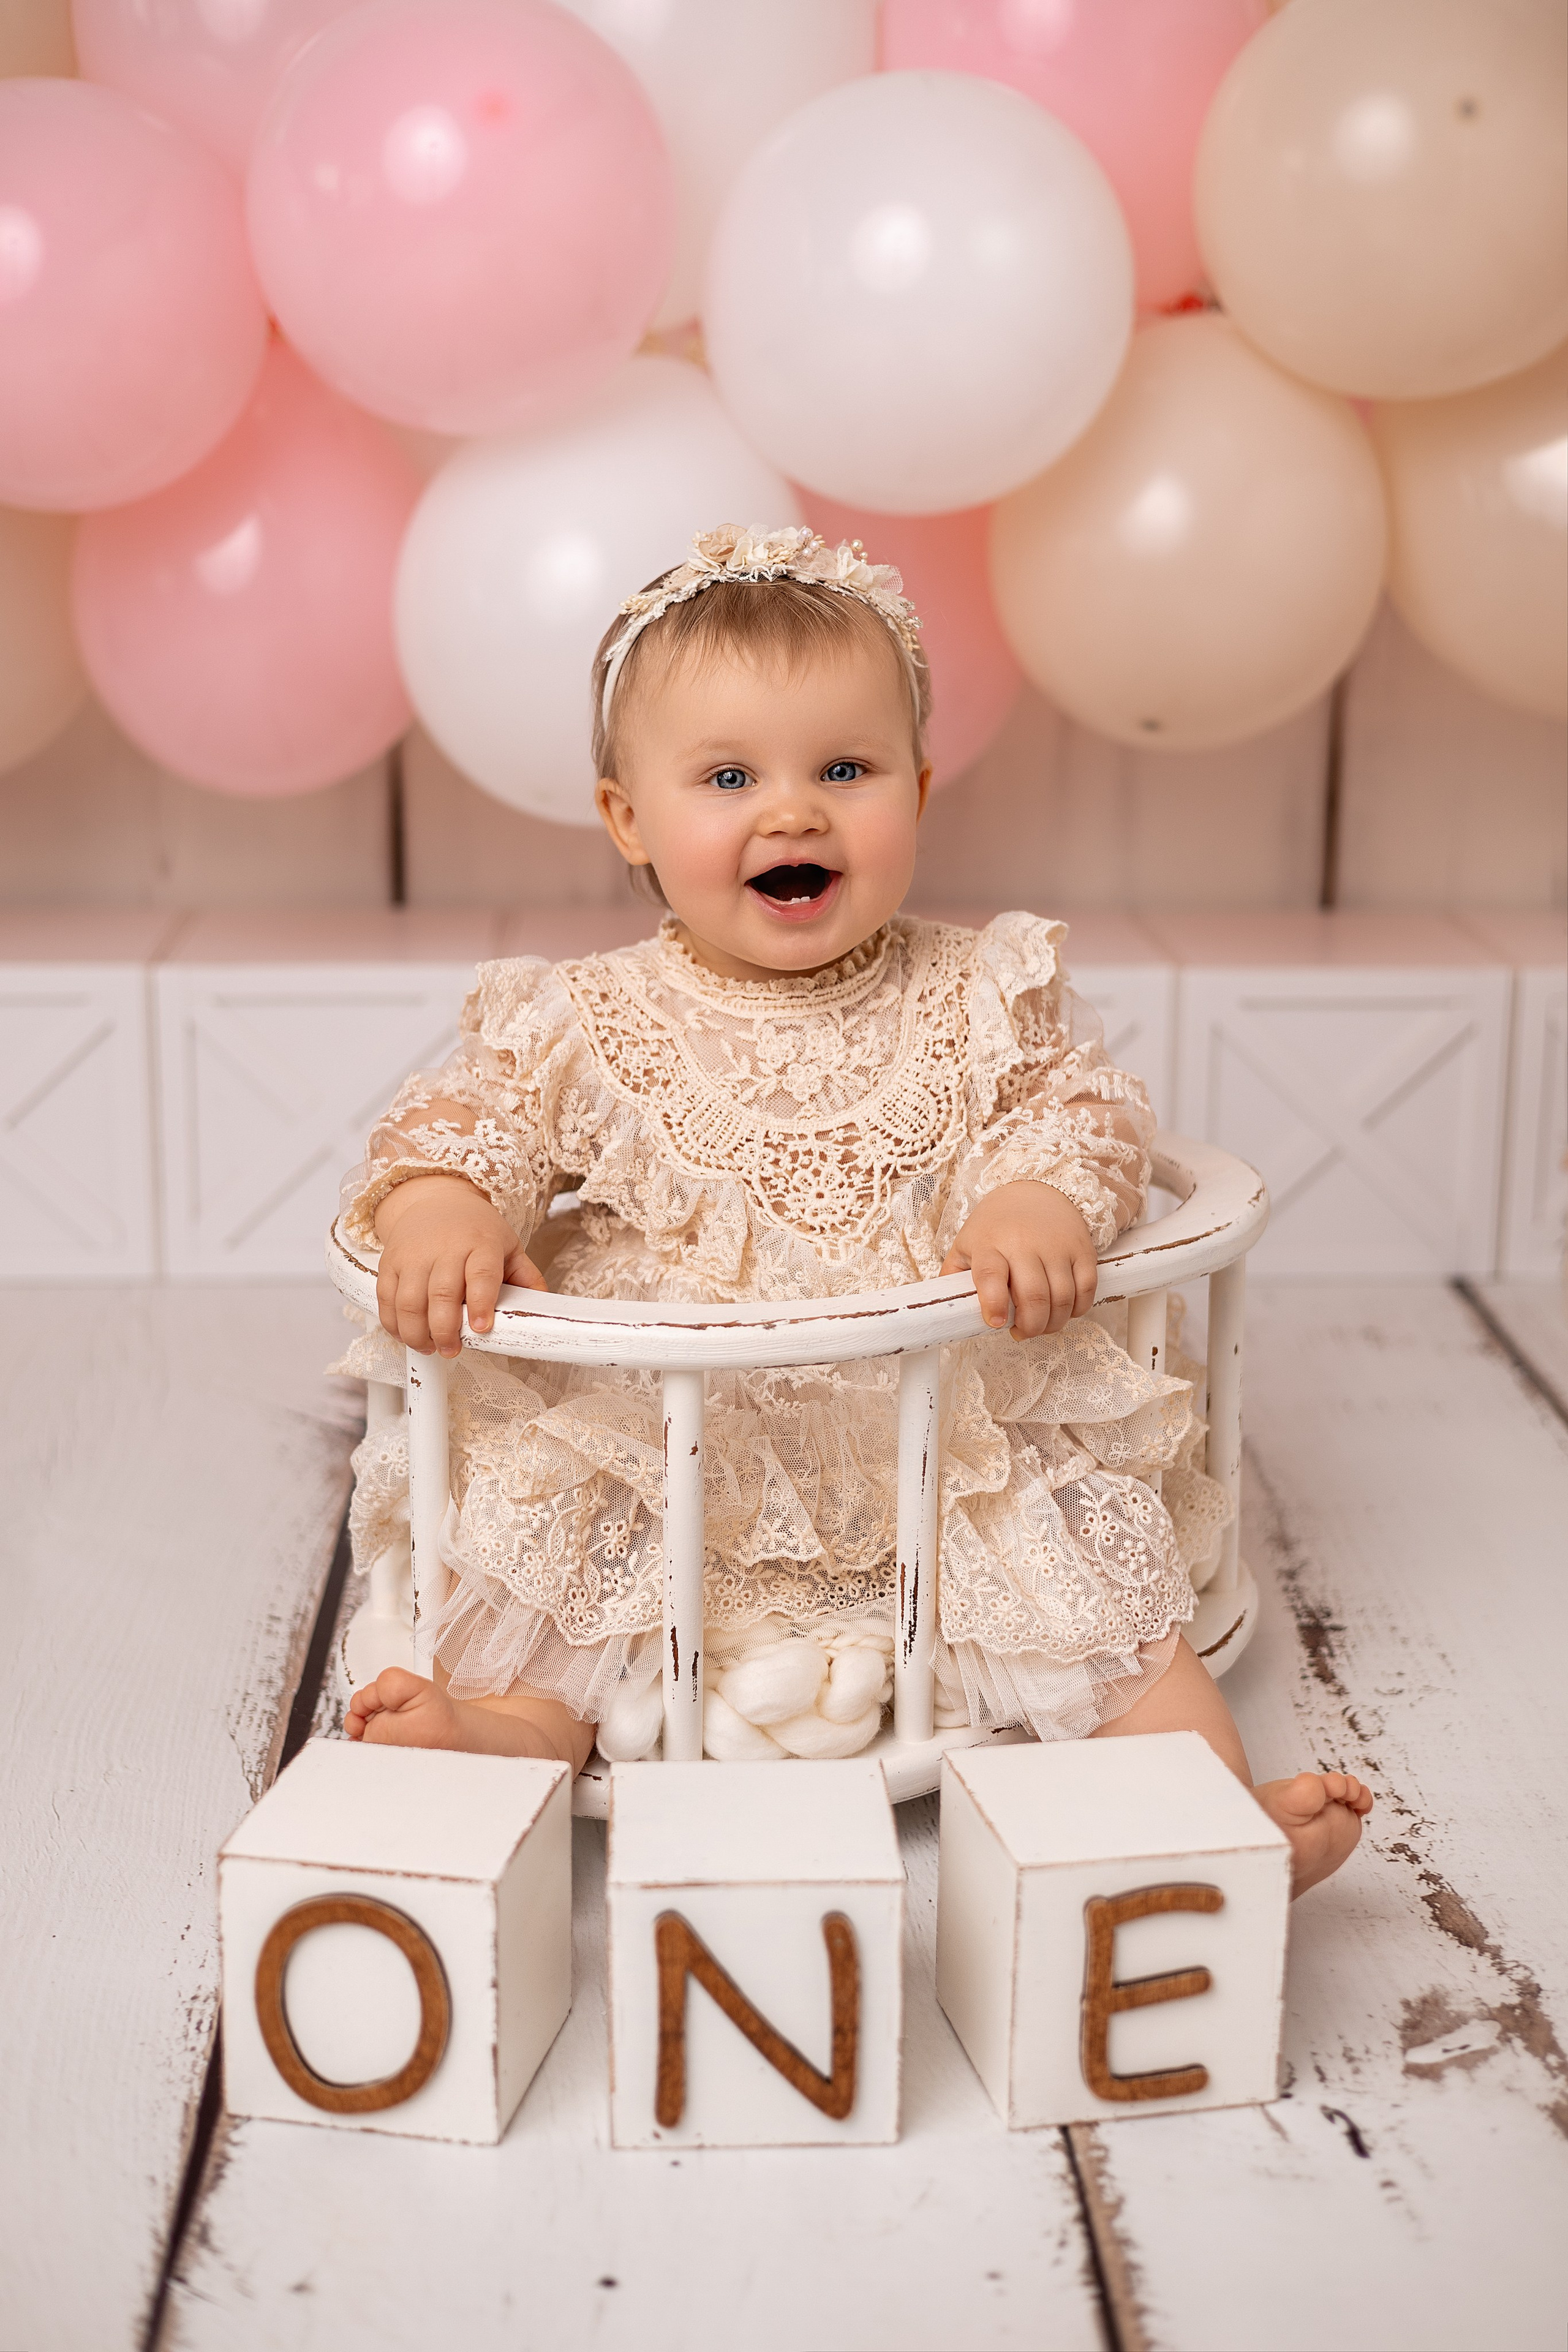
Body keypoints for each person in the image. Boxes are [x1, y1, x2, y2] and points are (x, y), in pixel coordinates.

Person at [339, 524, 1370, 1896]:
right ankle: (505, 1736)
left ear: (919, 789)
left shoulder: (976, 989)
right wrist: (444, 1204)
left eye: (844, 768)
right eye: (726, 777)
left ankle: (1212, 1814)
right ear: (628, 819)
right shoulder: (585, 1015)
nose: (792, 812)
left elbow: (1082, 1105)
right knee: (576, 1577)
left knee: (1088, 1587)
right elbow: (467, 1114)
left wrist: (1032, 1192)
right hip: (674, 1426)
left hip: (942, 1422)